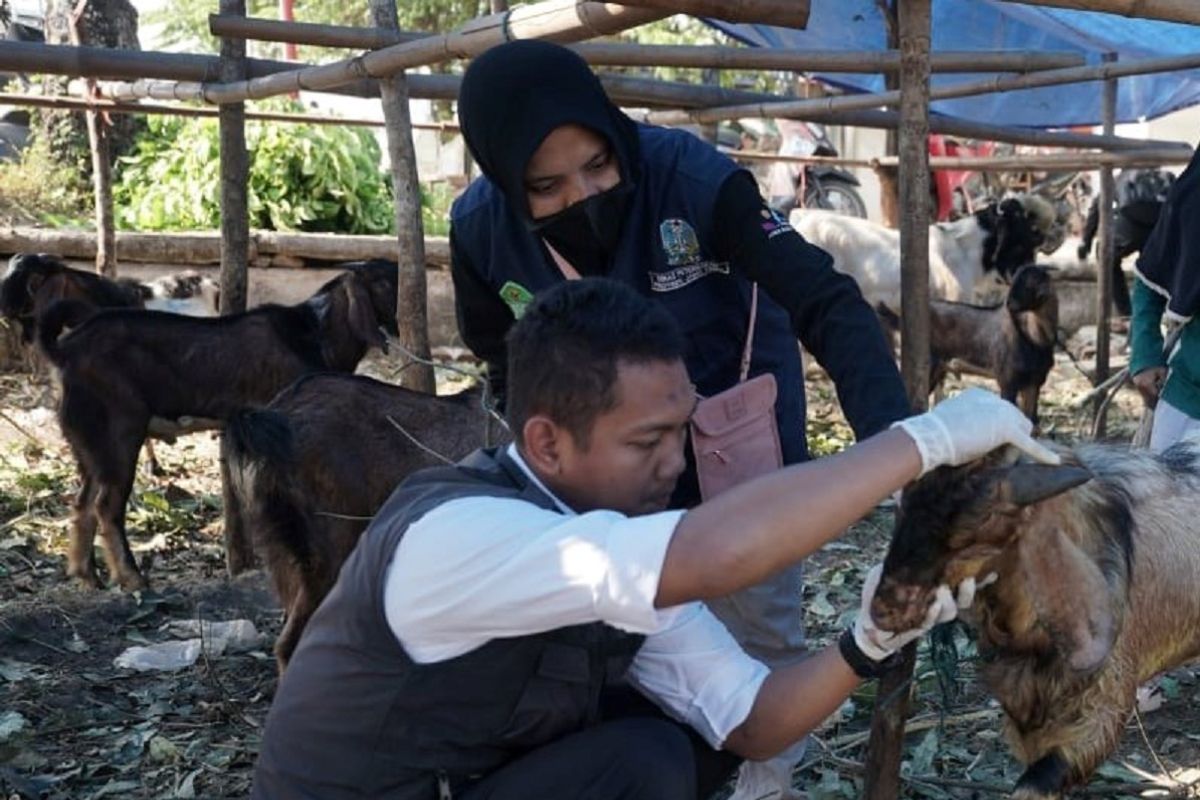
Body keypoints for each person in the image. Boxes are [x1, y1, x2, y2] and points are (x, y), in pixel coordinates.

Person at [252, 278, 1058, 800]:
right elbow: (721, 551)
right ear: (546, 444)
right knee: (650, 762)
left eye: (683, 431)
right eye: (646, 443)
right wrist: (923, 440)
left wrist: (870, 637)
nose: (676, 463)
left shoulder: (612, 557)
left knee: (668, 757)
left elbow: (754, 719)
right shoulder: (461, 532)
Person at [447, 39, 910, 797]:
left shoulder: (696, 184)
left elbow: (824, 300)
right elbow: (501, 359)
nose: (583, 197)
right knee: (621, 637)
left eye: (599, 167)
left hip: (735, 444)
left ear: (614, 134)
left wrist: (898, 441)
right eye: (548, 186)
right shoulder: (479, 231)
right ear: (506, 181)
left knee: (756, 627)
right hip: (603, 475)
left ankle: (764, 782)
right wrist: (537, 477)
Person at [1130, 148, 1200, 451]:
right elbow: (1150, 278)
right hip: (1189, 394)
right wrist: (1145, 355)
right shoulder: (1194, 197)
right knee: (1162, 495)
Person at [1078, 167, 1175, 318]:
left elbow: (1095, 211)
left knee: (1107, 259)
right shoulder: (1167, 177)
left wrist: (1086, 243)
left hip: (1128, 229)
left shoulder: (1118, 179)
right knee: (1152, 269)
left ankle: (1125, 312)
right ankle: (1158, 311)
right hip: (1159, 229)